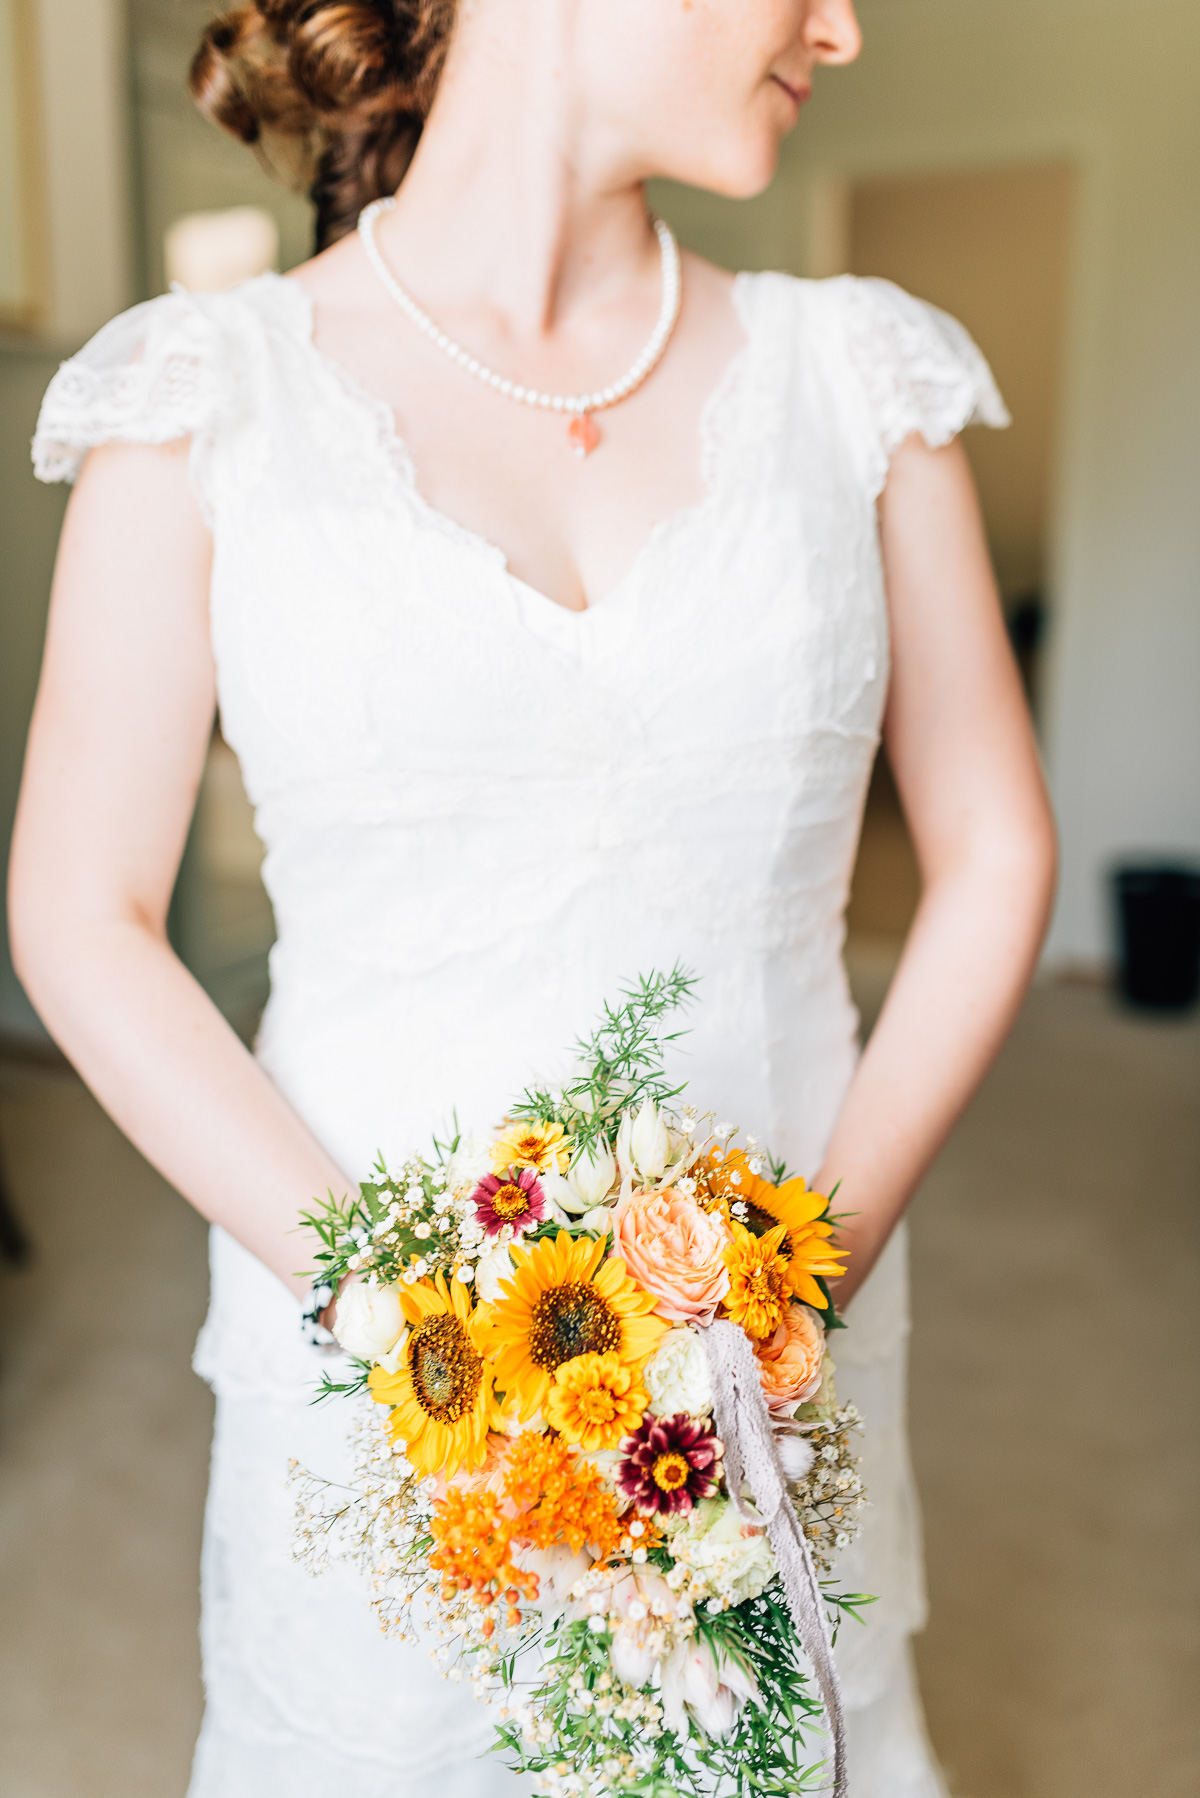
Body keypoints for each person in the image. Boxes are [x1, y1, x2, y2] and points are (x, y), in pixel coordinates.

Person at [9, 1, 1056, 1793]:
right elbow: (80, 911)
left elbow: (995, 850)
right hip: (369, 1376)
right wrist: (401, 1321)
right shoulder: (206, 391)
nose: (845, 27)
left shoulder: (859, 374)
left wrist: (803, 1286)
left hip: (765, 1369)